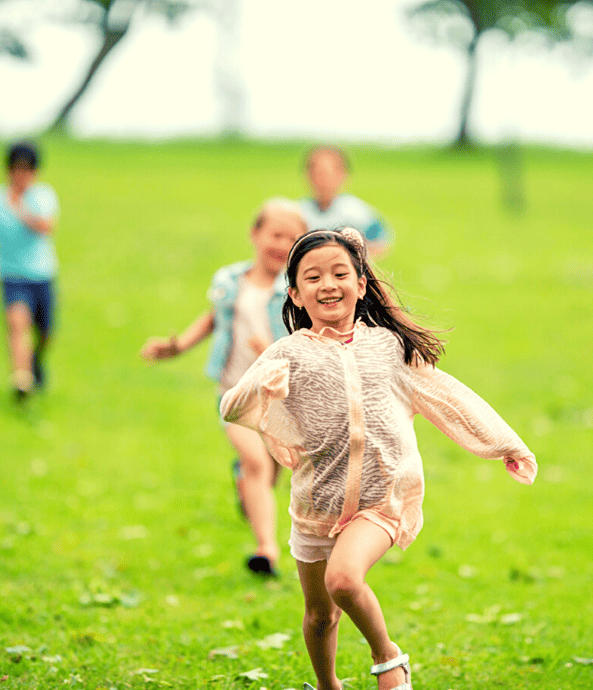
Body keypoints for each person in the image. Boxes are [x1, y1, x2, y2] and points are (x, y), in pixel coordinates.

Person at [220, 227, 537, 690]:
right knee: (319, 615)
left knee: (344, 580)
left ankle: (388, 658)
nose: (328, 284)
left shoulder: (388, 348)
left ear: (361, 283)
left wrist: (506, 444)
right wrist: (262, 387)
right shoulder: (287, 354)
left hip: (382, 499)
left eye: (339, 273)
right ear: (295, 293)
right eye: (313, 277)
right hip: (316, 505)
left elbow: (446, 396)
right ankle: (329, 686)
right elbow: (233, 406)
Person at [141, 198, 308, 576]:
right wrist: (178, 345)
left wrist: (275, 355)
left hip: (280, 398)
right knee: (256, 463)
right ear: (255, 234)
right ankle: (267, 549)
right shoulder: (230, 281)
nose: (281, 244)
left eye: (292, 237)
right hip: (235, 392)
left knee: (272, 466)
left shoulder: (299, 290)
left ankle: (246, 484)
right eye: (275, 234)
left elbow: (309, 342)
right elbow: (214, 318)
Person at [0, 141, 60, 402]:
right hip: (11, 276)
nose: (22, 176)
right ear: (7, 170)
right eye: (16, 170)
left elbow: (46, 227)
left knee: (46, 333)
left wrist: (20, 209)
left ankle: (34, 361)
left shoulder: (43, 196)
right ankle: (21, 379)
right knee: (17, 324)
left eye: (27, 170)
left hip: (42, 275)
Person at [299, 146, 393, 259]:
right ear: (307, 175)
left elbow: (380, 241)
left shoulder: (356, 212)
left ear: (343, 175)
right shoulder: (299, 212)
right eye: (318, 174)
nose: (323, 181)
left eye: (329, 174)